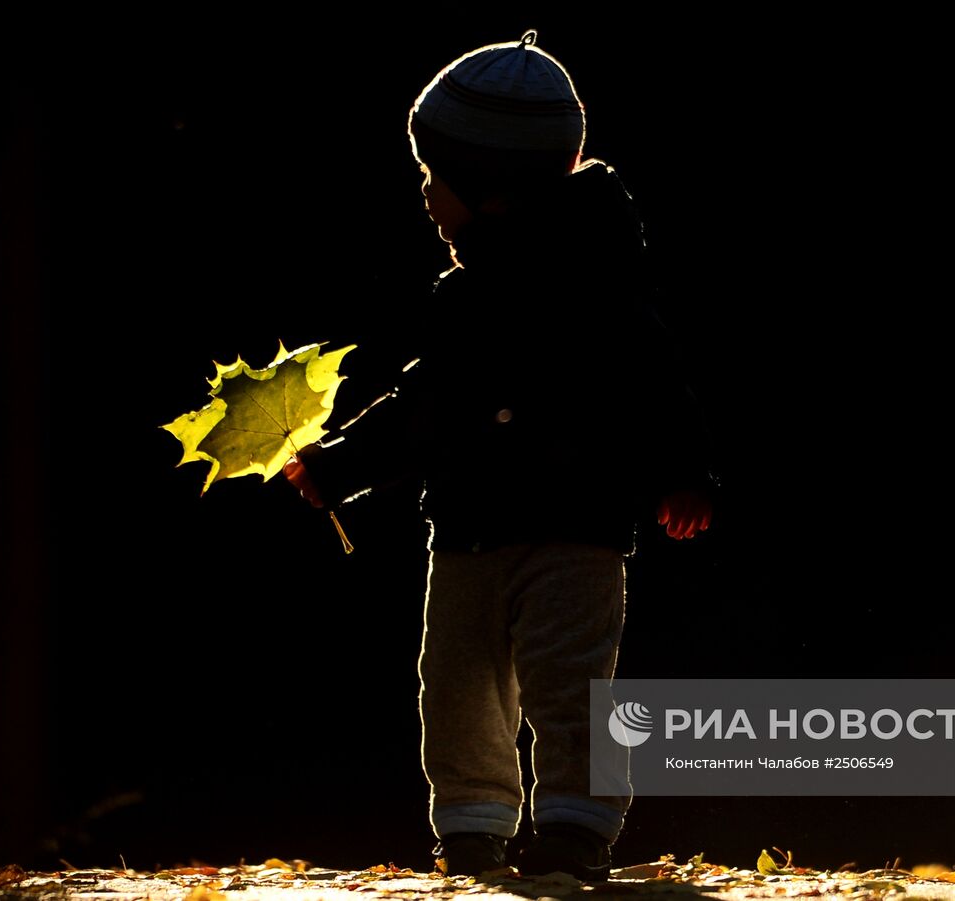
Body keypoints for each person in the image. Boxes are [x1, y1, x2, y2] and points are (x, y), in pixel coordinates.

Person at [284, 31, 714, 881]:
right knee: (458, 681)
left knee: (570, 682)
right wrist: (340, 465)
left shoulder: (605, 292)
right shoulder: (462, 297)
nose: (426, 196)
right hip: (470, 527)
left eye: (435, 179)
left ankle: (576, 821)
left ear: (496, 193)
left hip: (577, 527)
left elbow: (657, 384)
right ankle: (473, 820)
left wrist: (683, 471)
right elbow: (427, 403)